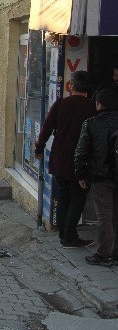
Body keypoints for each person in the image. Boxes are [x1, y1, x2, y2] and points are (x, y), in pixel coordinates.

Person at [35, 71, 96, 248]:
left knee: (63, 198)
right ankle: (69, 236)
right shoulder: (92, 107)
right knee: (77, 200)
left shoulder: (61, 104)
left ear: (72, 86)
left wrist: (39, 148)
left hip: (60, 159)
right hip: (82, 162)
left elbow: (46, 128)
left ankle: (64, 234)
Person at [74, 89, 118, 266]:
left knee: (104, 215)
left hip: (101, 177)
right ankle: (115, 252)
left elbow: (80, 152)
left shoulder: (91, 123)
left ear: (99, 104)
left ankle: (103, 253)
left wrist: (80, 174)